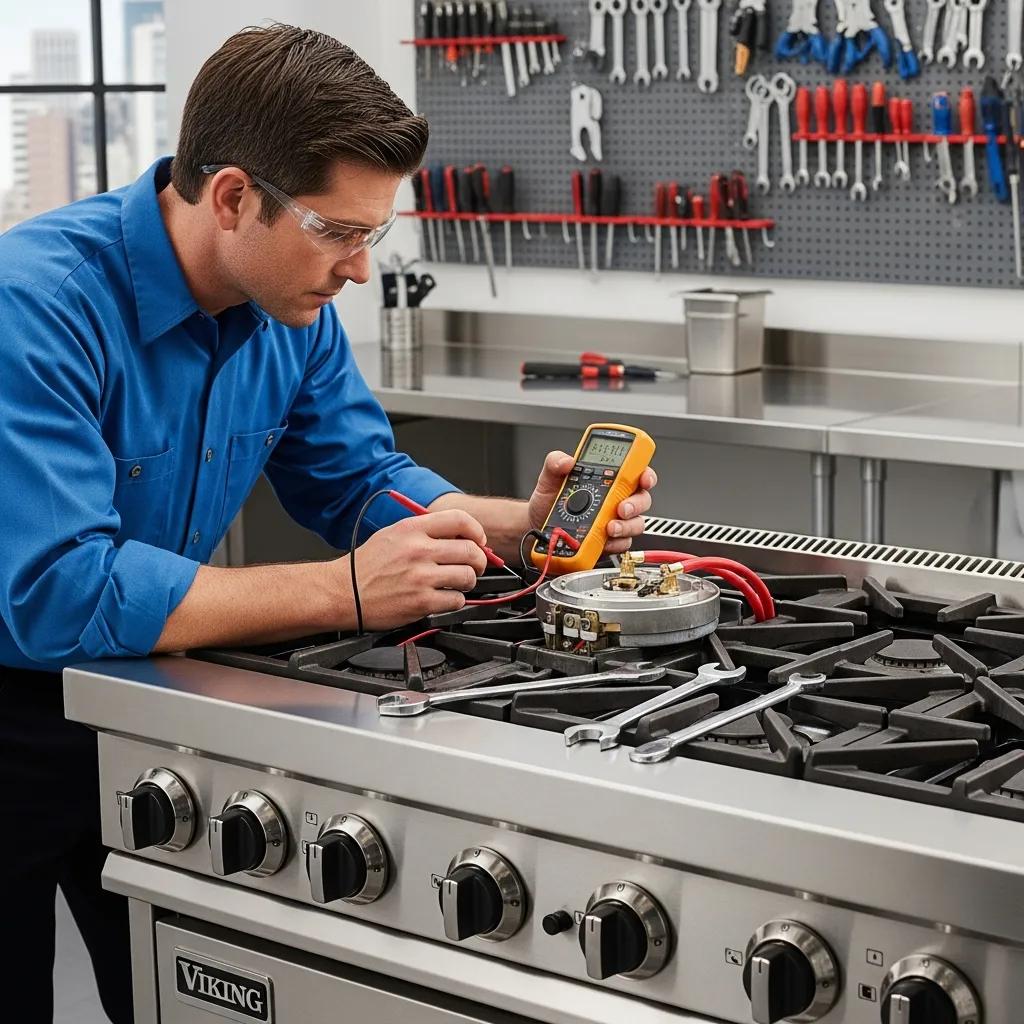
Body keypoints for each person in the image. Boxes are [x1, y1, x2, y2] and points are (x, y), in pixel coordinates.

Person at [0, 23, 657, 1022]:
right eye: (338, 231)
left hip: (140, 699)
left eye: (370, 233)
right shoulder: (35, 306)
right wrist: (343, 589)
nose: (358, 268)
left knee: (165, 987)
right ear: (231, 197)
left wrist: (508, 528)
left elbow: (359, 477)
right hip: (12, 705)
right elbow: (57, 593)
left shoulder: (286, 308)